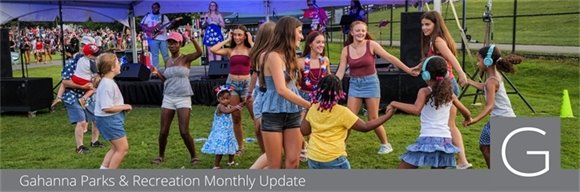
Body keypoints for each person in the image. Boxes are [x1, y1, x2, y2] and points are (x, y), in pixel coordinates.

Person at [335, 21, 419, 154]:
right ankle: (340, 146)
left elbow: (390, 57)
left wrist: (408, 70)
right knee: (349, 117)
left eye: (363, 30)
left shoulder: (371, 45)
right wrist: (332, 83)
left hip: (371, 83)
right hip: (355, 84)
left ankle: (386, 144)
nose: (360, 33)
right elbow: (340, 71)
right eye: (357, 30)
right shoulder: (346, 49)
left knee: (373, 118)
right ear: (351, 32)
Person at [389, 56, 471, 169]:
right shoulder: (450, 94)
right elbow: (466, 111)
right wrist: (467, 118)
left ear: (426, 75)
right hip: (445, 142)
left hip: (428, 139)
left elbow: (416, 109)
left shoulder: (424, 92)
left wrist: (394, 103)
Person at [301, 75, 396, 169]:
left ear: (318, 90)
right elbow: (365, 127)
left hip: (313, 157)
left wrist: (308, 111)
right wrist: (387, 116)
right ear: (339, 92)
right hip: (334, 158)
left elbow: (304, 131)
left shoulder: (313, 108)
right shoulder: (343, 112)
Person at [418, 11, 472, 169]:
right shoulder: (430, 41)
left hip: (447, 84)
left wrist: (462, 74)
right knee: (447, 125)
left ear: (436, 24)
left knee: (449, 125)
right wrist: (418, 67)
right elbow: (431, 60)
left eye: (427, 24)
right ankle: (459, 161)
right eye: (422, 24)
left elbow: (451, 58)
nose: (424, 27)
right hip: (444, 84)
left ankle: (460, 161)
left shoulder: (438, 40)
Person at [258, 16, 309, 169]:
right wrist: (309, 105)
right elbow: (281, 89)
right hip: (273, 113)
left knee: (293, 162)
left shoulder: (291, 55)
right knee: (275, 164)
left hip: (292, 112)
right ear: (289, 33)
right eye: (299, 32)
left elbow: (293, 86)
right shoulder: (272, 56)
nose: (302, 36)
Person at [149, 32, 202, 166]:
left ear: (180, 44)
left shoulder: (185, 59)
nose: (172, 45)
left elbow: (200, 52)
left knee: (184, 131)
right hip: (168, 97)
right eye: (170, 43)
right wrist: (158, 74)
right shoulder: (167, 61)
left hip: (183, 97)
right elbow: (167, 80)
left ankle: (194, 156)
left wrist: (193, 39)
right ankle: (160, 156)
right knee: (163, 131)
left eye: (175, 43)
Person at [465, 45, 522, 169]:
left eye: (479, 60)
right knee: (484, 146)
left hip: (503, 120)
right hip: (498, 119)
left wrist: (474, 119)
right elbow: (485, 86)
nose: (477, 63)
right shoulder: (493, 76)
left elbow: (489, 106)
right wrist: (470, 82)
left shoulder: (492, 80)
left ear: (487, 61)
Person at [210, 24, 254, 155]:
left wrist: (251, 41)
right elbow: (213, 49)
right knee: (236, 117)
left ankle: (266, 144)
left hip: (247, 83)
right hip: (232, 84)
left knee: (255, 116)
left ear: (245, 35)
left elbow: (260, 51)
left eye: (240, 34)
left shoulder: (250, 49)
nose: (237, 37)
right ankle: (240, 147)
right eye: (234, 34)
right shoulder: (230, 51)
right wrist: (227, 40)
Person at [61, 43, 104, 155]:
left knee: (96, 117)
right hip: (73, 95)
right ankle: (79, 147)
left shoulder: (93, 62)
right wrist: (83, 87)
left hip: (87, 94)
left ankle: (94, 141)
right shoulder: (71, 63)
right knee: (81, 121)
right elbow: (65, 82)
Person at [93, 53, 132, 169]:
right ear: (112, 68)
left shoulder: (107, 82)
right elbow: (106, 107)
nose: (120, 65)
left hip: (109, 119)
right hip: (109, 120)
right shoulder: (107, 84)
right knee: (122, 149)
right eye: (118, 63)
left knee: (115, 148)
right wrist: (125, 106)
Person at [297, 31, 331, 161]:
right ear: (310, 44)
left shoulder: (325, 60)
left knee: (318, 125)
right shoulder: (300, 62)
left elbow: (328, 79)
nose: (321, 45)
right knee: (299, 125)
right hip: (303, 96)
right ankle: (303, 146)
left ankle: (314, 148)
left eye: (323, 42)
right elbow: (296, 80)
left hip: (320, 97)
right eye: (318, 42)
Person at [247, 22, 276, 170]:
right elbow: (255, 74)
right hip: (259, 92)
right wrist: (249, 92)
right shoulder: (258, 54)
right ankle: (266, 155)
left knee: (265, 127)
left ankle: (270, 158)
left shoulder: (275, 54)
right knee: (258, 128)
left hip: (269, 93)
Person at [201, 85, 244, 169]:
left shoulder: (229, 106)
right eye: (223, 99)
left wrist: (240, 105)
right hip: (221, 132)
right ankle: (216, 165)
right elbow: (227, 112)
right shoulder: (220, 106)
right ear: (218, 99)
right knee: (220, 149)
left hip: (228, 131)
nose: (225, 101)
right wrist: (236, 107)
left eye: (227, 98)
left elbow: (231, 108)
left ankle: (231, 161)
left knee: (231, 146)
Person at [140, 2, 170, 69]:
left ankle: (168, 70)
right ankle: (156, 72)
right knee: (154, 56)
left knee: (166, 55)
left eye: (155, 7)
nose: (154, 9)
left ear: (159, 8)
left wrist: (174, 22)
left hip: (163, 38)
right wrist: (149, 29)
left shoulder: (163, 17)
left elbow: (169, 25)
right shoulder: (148, 16)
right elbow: (141, 24)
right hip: (152, 38)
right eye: (153, 7)